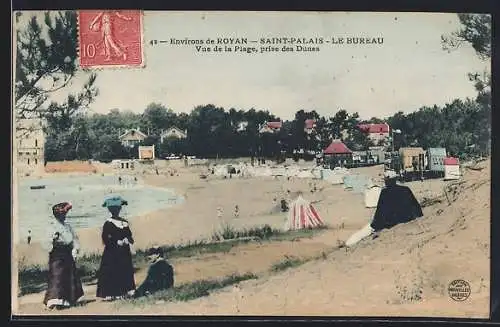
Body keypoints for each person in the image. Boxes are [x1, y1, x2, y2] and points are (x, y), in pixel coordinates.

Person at [43, 202, 84, 310]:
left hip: (67, 253)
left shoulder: (67, 226)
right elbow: (46, 242)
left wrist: (75, 249)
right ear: (57, 215)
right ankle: (54, 300)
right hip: (56, 254)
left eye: (64, 215)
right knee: (57, 276)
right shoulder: (52, 226)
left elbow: (74, 239)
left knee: (68, 275)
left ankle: (66, 300)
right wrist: (53, 238)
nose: (64, 217)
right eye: (62, 215)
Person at [96, 196, 136, 301]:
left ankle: (125, 291)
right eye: (114, 209)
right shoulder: (108, 223)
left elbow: (130, 236)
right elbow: (105, 238)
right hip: (112, 252)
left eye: (118, 209)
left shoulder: (124, 222)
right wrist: (116, 242)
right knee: (112, 271)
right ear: (110, 210)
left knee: (124, 270)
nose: (116, 211)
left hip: (124, 252)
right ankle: (111, 293)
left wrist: (128, 239)